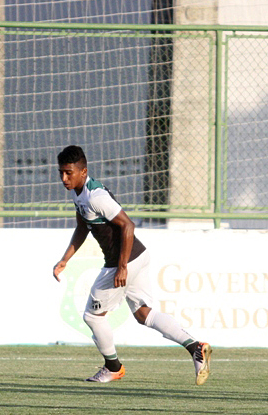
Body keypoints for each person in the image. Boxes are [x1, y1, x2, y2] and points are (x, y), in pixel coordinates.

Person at [53, 145, 212, 385]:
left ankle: (113, 367)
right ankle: (196, 348)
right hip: (137, 257)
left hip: (124, 262)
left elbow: (128, 225)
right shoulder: (79, 193)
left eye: (69, 173)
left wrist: (122, 267)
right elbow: (82, 227)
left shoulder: (96, 196)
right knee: (143, 314)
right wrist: (65, 259)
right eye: (61, 173)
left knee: (93, 316)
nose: (64, 178)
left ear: (83, 172)